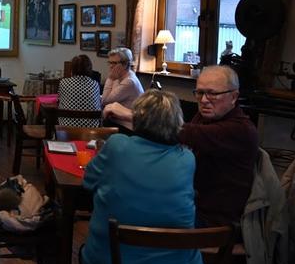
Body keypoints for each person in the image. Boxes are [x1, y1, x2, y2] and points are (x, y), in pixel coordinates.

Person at [82, 90, 205, 264]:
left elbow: (88, 182)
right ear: (177, 122)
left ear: (137, 117)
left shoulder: (117, 145)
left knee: (86, 251)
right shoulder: (187, 159)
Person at [103, 65, 259, 227]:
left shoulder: (241, 130)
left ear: (234, 97)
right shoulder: (205, 118)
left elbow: (187, 133)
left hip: (212, 221)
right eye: (199, 93)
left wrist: (131, 115)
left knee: (127, 212)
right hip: (186, 203)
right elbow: (173, 137)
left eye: (212, 94)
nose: (204, 100)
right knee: (123, 200)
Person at [101, 47, 143, 129]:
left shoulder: (129, 82)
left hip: (126, 126)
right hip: (116, 121)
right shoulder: (120, 76)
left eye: (114, 63)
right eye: (109, 62)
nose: (110, 66)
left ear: (125, 65)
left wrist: (110, 78)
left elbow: (105, 101)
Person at [57, 55, 101, 127]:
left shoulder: (63, 83)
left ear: (72, 68)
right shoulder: (95, 84)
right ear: (89, 68)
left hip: (67, 128)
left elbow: (59, 101)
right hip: (90, 130)